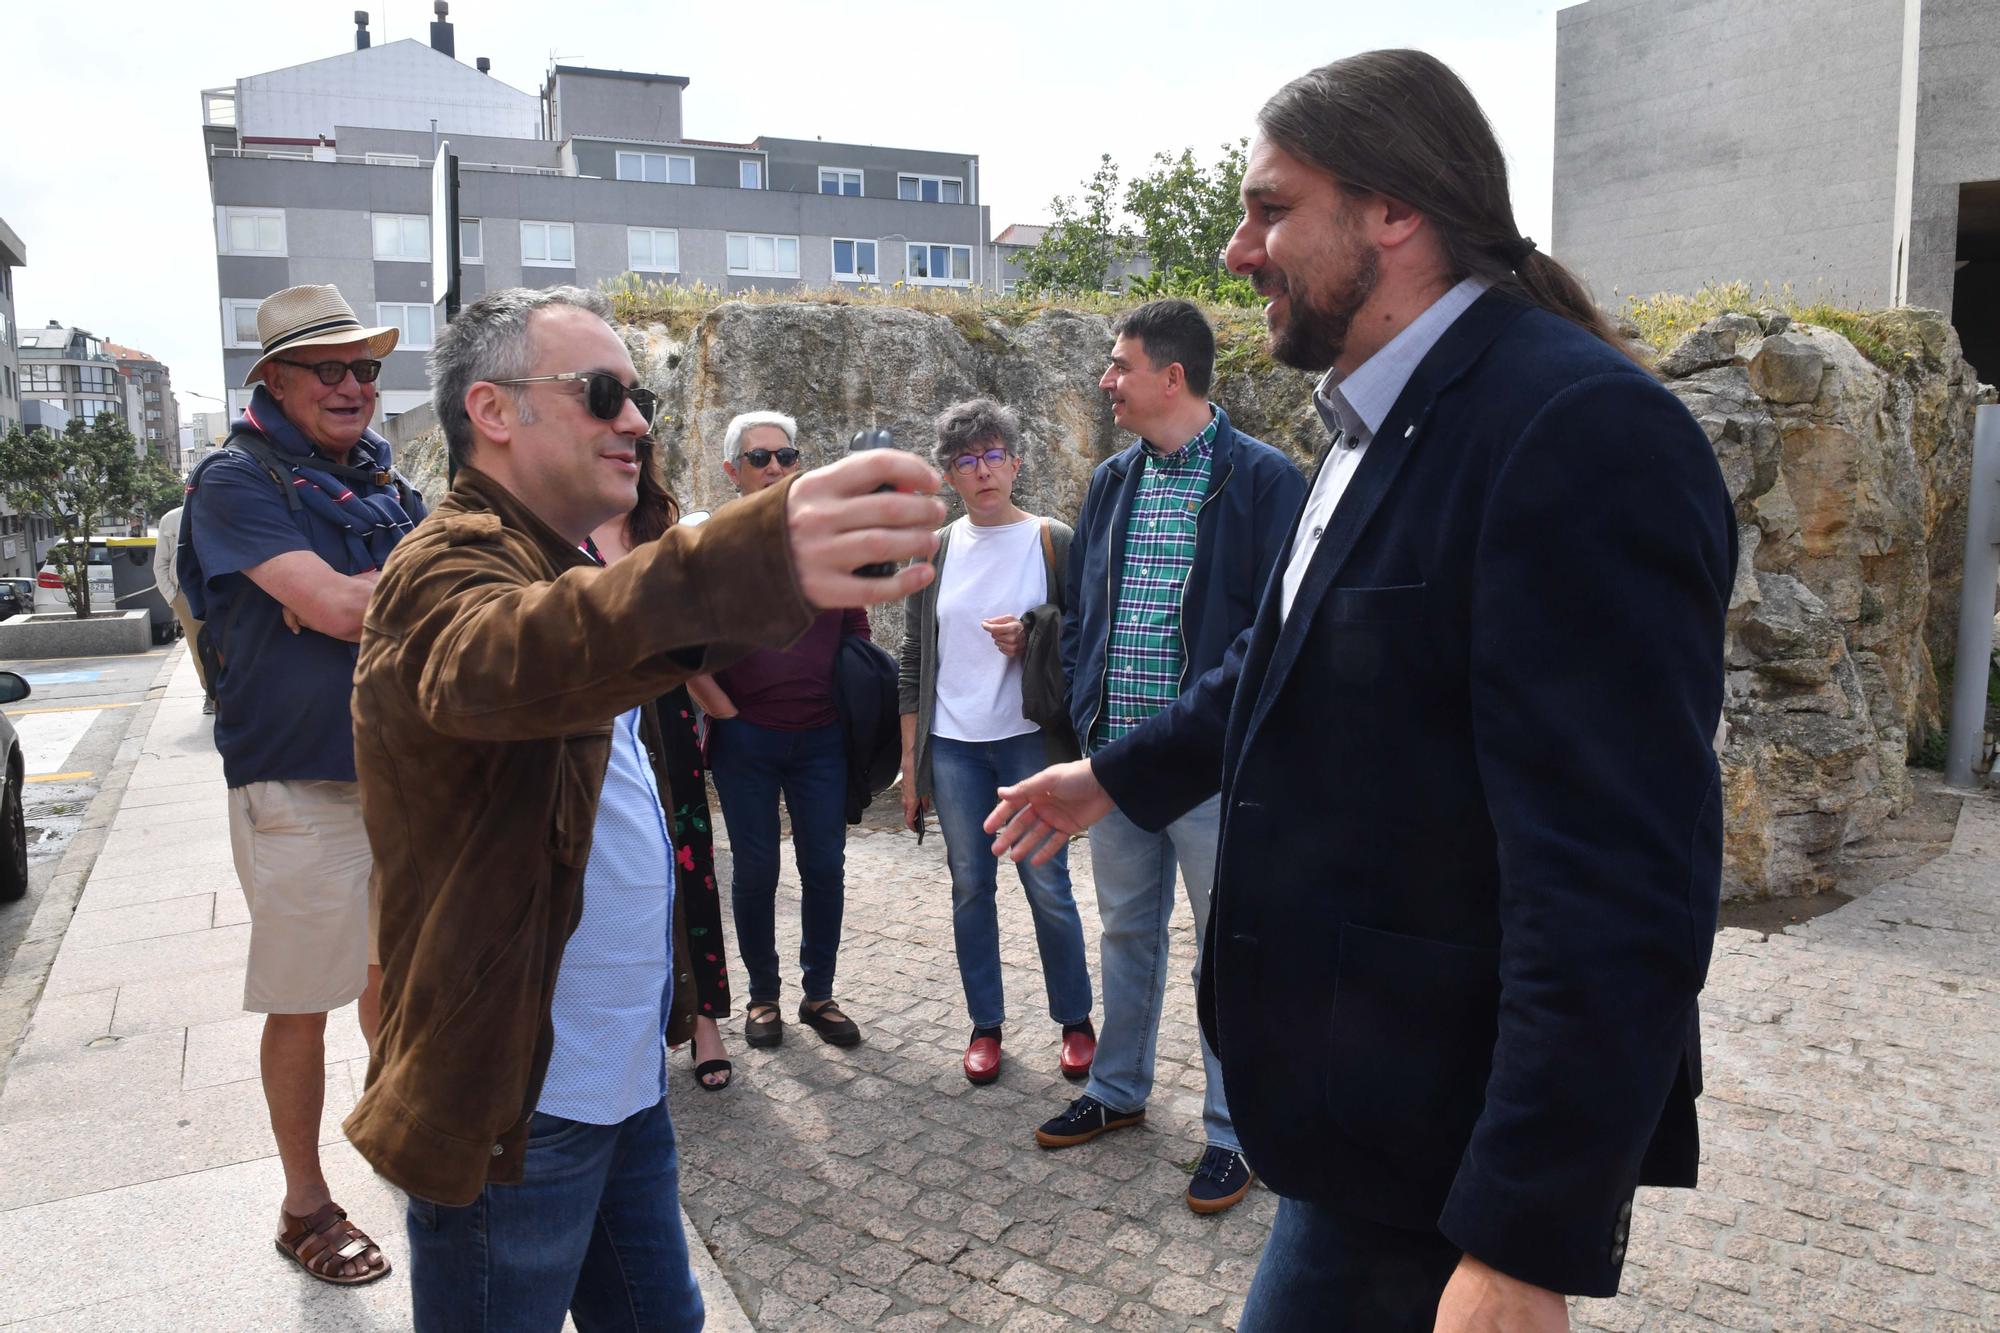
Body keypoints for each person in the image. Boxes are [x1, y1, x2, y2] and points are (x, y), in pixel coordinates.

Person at [986, 49, 1737, 1331]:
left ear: (1393, 210)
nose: (1234, 250)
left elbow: (1619, 880)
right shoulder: (1364, 425)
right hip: (1357, 1128)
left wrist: (1519, 1242)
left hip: (1443, 1167)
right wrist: (1109, 775)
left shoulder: (1573, 430)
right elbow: (1267, 672)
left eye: (1269, 207)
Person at [343, 285, 942, 1331]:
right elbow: (502, 659)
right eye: (602, 392)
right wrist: (752, 555)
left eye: (642, 397)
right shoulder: (442, 564)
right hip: (512, 1106)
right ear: (493, 410)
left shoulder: (563, 556)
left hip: (617, 1082)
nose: (636, 420)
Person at [177, 283, 425, 1287]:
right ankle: (303, 1205)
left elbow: (404, 594)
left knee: (389, 987)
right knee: (303, 999)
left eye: (364, 367)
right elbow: (337, 607)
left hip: (399, 773)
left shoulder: (380, 480)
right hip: (298, 778)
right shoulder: (233, 480)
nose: (353, 384)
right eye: (328, 367)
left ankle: (402, 1141)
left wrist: (358, 602)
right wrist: (347, 602)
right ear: (271, 378)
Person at [1034, 299, 1304, 1217]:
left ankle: (1237, 1131)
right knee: (1128, 934)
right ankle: (1118, 1091)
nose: (1106, 380)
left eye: (1119, 365)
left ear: (1172, 376)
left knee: (1227, 952)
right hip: (1115, 766)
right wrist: (1085, 710)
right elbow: (1082, 611)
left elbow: (1273, 640)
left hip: (1214, 772)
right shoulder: (1112, 481)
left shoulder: (1266, 482)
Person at [896, 398, 1094, 1087]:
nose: (982, 470)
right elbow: (915, 655)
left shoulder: (1052, 538)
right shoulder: (937, 546)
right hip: (953, 746)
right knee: (970, 885)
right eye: (966, 460)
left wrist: (1036, 633)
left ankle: (1075, 1020)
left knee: (1048, 884)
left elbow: (1086, 627)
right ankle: (986, 1026)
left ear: (1016, 461)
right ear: (950, 475)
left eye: (992, 454)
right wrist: (910, 765)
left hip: (1028, 743)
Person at [697, 412, 871, 1052]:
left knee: (825, 867)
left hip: (821, 739)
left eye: (785, 456)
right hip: (746, 741)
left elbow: (855, 631)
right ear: (731, 471)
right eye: (759, 458)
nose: (774, 468)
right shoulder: (712, 544)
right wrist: (724, 713)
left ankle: (818, 994)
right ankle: (762, 997)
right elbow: (688, 646)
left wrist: (855, 706)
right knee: (756, 871)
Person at [584, 434, 736, 1092]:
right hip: (593, 726)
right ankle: (636, 1028)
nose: (625, 457)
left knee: (689, 870)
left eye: (635, 447)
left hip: (667, 720)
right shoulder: (561, 533)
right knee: (612, 875)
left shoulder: (664, 533)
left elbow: (696, 640)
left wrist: (720, 705)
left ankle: (705, 1021)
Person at [155, 503, 214, 712]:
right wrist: (172, 597)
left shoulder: (217, 509)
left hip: (219, 587)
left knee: (229, 641)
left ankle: (230, 692)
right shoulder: (171, 518)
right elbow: (160, 563)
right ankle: (210, 693)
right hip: (185, 592)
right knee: (199, 646)